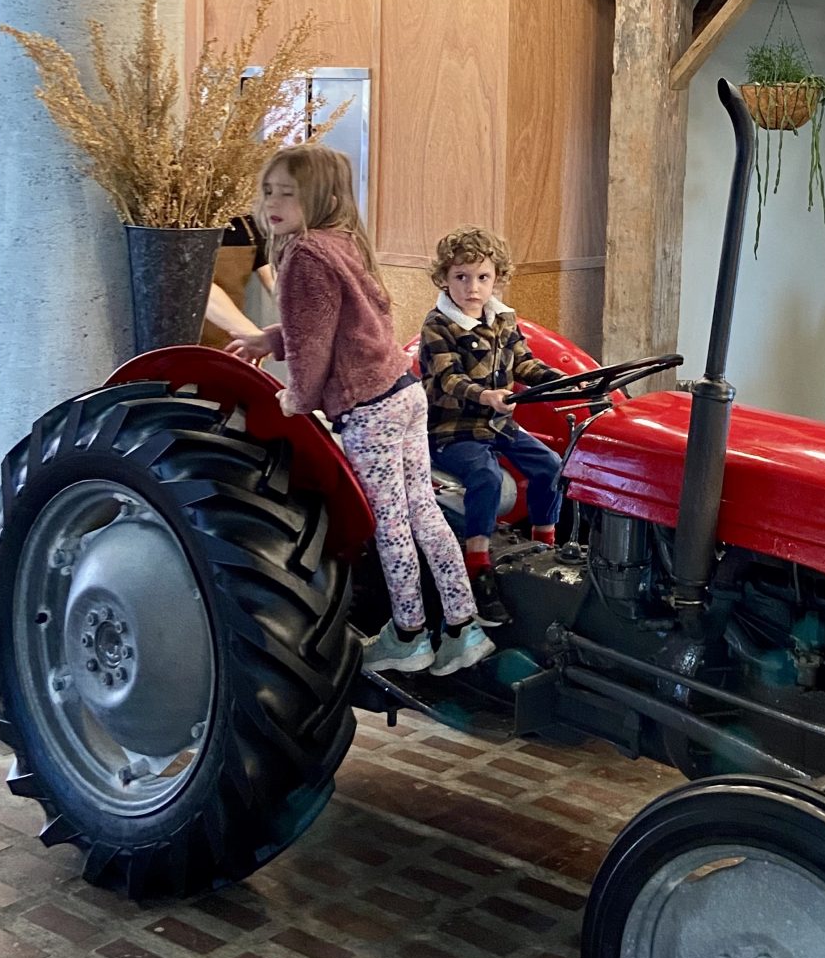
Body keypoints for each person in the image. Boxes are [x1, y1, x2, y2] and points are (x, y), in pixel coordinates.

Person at [228, 145, 492, 679]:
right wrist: (268, 339)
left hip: (369, 408)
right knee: (423, 512)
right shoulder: (343, 241)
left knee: (390, 524)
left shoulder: (304, 254)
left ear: (320, 196)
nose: (272, 203)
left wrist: (297, 398)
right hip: (402, 391)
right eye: (269, 191)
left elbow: (314, 343)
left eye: (288, 193)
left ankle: (409, 636)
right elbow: (341, 325)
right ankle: (464, 627)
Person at [420, 227, 563, 629]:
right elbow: (448, 379)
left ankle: (544, 545)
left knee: (551, 465)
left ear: (497, 277)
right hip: (453, 428)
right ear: (444, 278)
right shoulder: (438, 326)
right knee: (485, 475)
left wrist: (559, 380)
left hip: (498, 423)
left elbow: (525, 362)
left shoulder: (503, 318)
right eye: (461, 277)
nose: (473, 287)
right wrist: (486, 396)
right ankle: (478, 564)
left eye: (482, 277)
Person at [203, 213, 275, 348]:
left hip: (230, 341)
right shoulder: (181, 221)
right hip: (182, 345)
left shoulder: (245, 224)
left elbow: (273, 281)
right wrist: (254, 335)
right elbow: (199, 289)